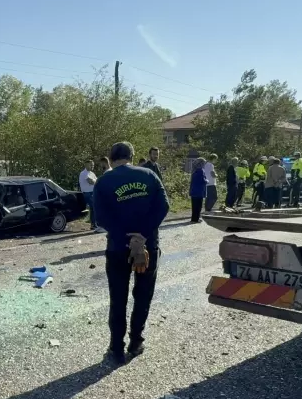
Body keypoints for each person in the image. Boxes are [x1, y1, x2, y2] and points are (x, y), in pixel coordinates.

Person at [93, 142, 170, 364]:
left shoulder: (104, 181)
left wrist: (126, 237)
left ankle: (116, 349)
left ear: (111, 158)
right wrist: (142, 236)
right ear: (132, 156)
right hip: (148, 246)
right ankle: (136, 342)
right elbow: (164, 206)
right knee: (143, 295)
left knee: (118, 298)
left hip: (118, 247)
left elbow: (101, 218)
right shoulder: (149, 175)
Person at [78, 160, 99, 231]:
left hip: (93, 192)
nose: (92, 166)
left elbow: (97, 181)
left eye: (93, 165)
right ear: (86, 165)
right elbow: (90, 182)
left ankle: (94, 224)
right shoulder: (83, 173)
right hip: (86, 193)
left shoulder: (92, 173)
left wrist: (94, 181)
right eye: (91, 165)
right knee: (94, 206)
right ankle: (94, 224)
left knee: (93, 207)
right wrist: (94, 181)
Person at [189, 158, 207, 222]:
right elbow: (202, 181)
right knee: (199, 206)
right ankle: (196, 219)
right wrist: (207, 180)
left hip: (193, 191)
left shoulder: (194, 170)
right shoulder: (201, 170)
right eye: (204, 163)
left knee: (194, 206)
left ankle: (193, 218)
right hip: (199, 191)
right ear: (201, 163)